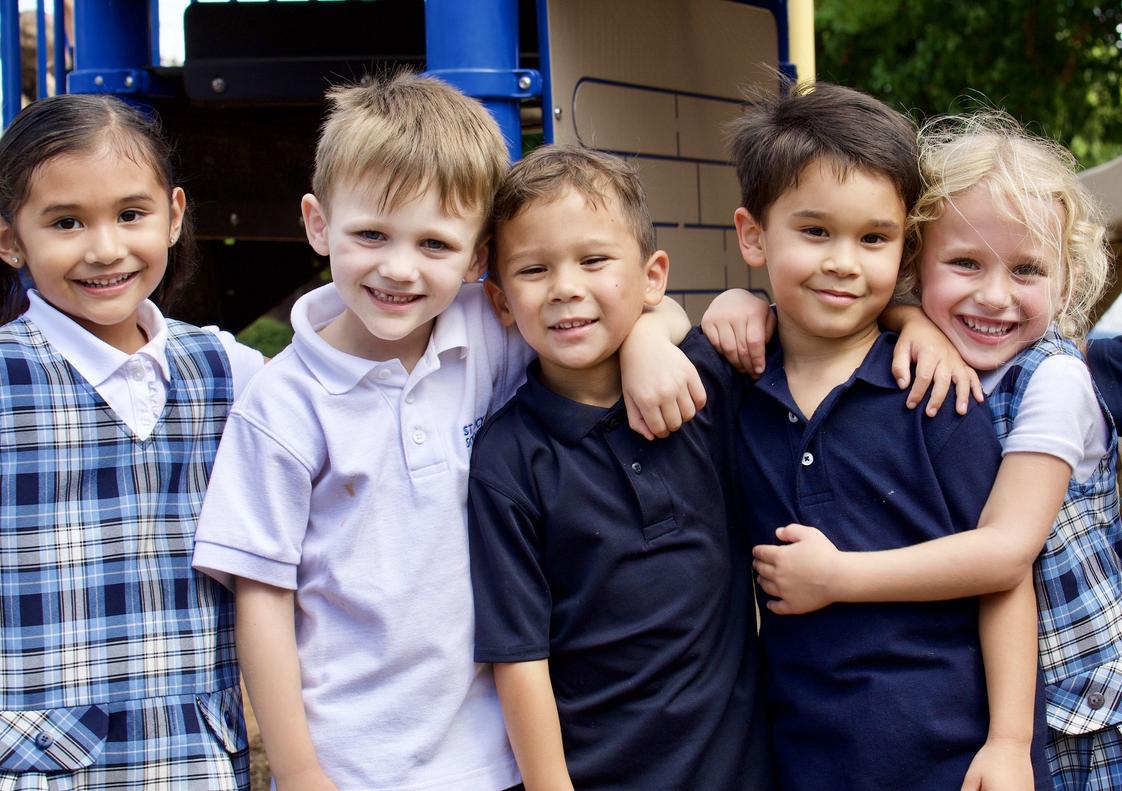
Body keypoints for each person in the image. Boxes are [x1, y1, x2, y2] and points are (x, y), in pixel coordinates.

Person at [191, 73, 699, 791]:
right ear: (317, 222)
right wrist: (301, 770)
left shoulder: (486, 331)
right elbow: (262, 598)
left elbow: (614, 321)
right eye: (370, 234)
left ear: (477, 257)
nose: (398, 268)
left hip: (494, 754)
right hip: (358, 762)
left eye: (434, 243)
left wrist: (653, 336)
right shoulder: (284, 405)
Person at [730, 112, 1119, 790]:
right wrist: (736, 304)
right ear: (919, 262)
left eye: (1027, 269)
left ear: (1065, 283)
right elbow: (846, 295)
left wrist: (838, 576)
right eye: (965, 262)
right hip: (1003, 692)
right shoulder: (928, 361)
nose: (993, 295)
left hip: (1081, 697)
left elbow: (1003, 555)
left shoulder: (1049, 380)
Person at [466, 143, 768, 791]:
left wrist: (915, 323)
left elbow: (832, 325)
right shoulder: (508, 458)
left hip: (740, 768)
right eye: (534, 269)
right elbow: (520, 657)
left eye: (594, 259)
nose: (566, 287)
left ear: (653, 276)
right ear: (499, 302)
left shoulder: (706, 384)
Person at [0, 94, 263, 788]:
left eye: (130, 214)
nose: (105, 248)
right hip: (38, 767)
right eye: (65, 222)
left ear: (174, 214)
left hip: (200, 759)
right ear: (9, 238)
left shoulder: (228, 369)